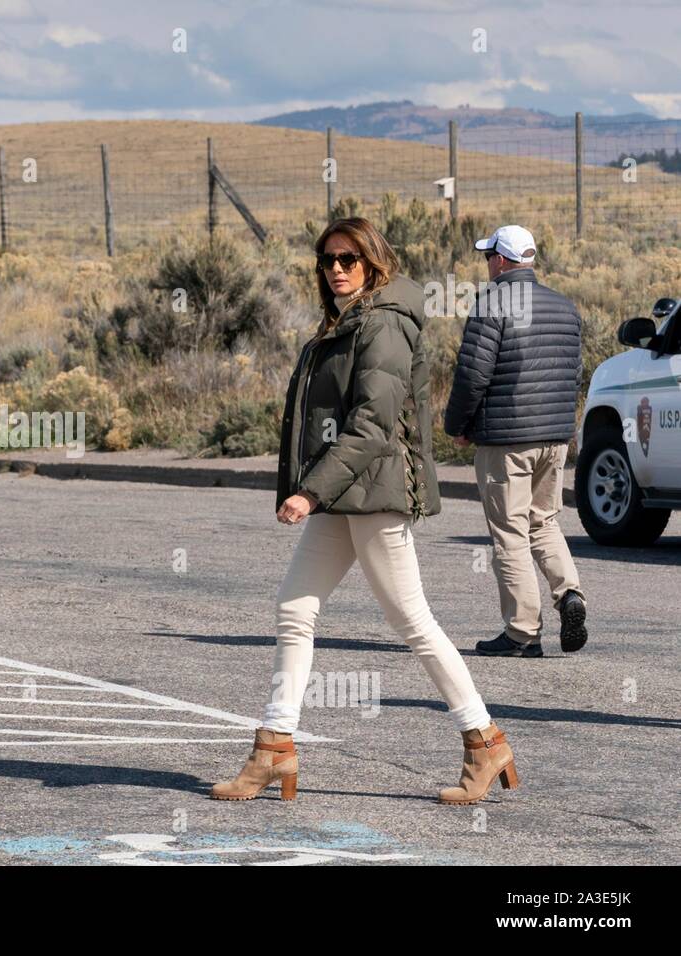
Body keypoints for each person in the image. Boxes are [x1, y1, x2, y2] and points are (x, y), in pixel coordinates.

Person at [210, 217, 517, 805]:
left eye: (349, 258)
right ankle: (274, 749)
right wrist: (319, 489)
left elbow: (373, 425)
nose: (337, 269)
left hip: (372, 493)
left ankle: (484, 741)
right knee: (295, 608)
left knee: (412, 621)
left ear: (374, 260)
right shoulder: (345, 321)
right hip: (341, 493)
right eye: (328, 260)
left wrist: (310, 491)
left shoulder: (385, 325)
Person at [444, 225, 586, 657]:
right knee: (542, 520)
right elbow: (574, 374)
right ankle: (570, 593)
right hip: (555, 435)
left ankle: (523, 633)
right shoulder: (565, 307)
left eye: (489, 257)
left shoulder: (492, 304)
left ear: (502, 261)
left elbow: (473, 375)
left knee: (509, 532)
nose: (487, 264)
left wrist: (457, 425)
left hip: (507, 439)